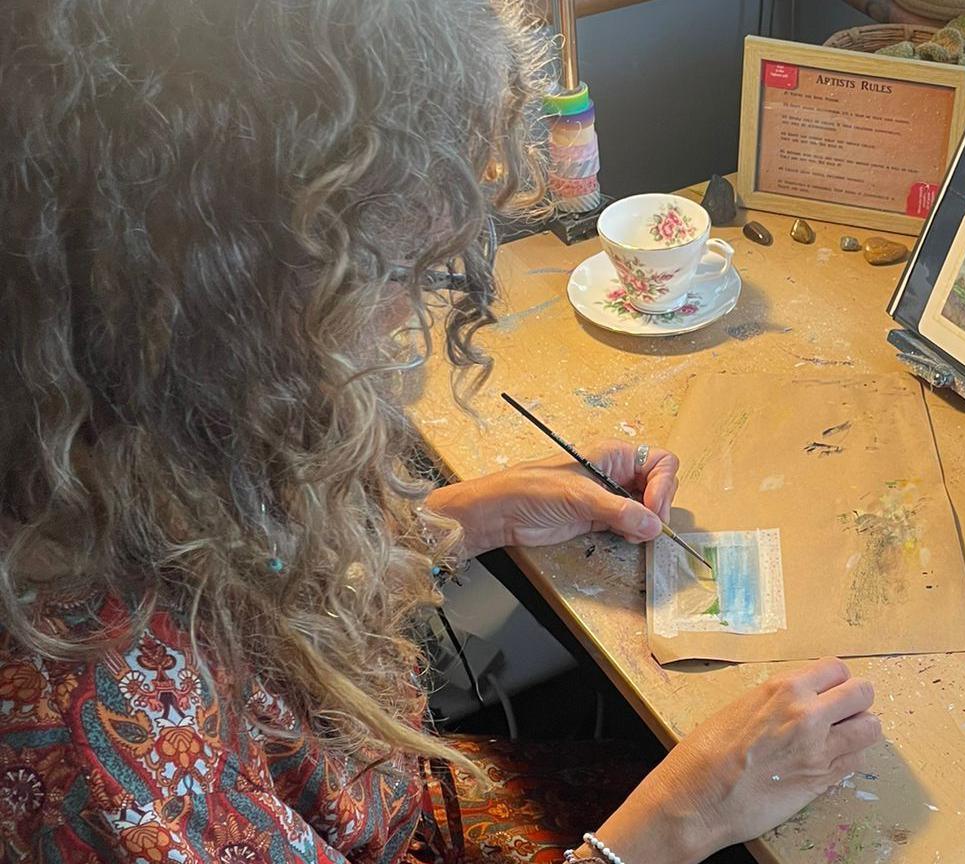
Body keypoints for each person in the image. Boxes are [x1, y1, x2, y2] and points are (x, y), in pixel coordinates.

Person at [0, 0, 882, 861]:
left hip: (402, 798)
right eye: (392, 269)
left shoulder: (130, 448)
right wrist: (681, 819)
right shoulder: (90, 744)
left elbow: (241, 571)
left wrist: (472, 515)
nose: (402, 319)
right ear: (214, 299)